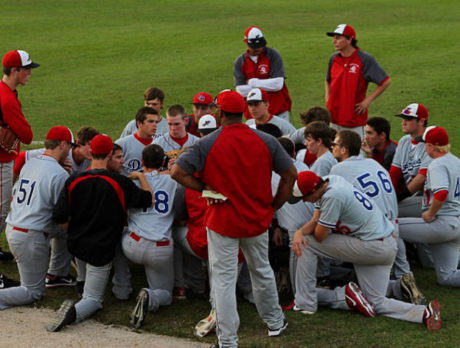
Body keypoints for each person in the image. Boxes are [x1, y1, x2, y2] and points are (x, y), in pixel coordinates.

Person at [171, 90, 296, 347]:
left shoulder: (206, 143)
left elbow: (177, 172)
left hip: (222, 221)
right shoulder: (266, 140)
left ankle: (228, 340)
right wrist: (274, 205)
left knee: (224, 279)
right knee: (261, 270)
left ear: (218, 113)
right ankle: (274, 322)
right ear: (243, 112)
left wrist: (205, 189)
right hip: (256, 219)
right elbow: (290, 175)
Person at [291, 171, 441, 330]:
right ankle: (424, 312)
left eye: (304, 197)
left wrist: (301, 234)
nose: (304, 201)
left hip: (372, 246)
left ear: (314, 190)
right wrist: (299, 231)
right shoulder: (333, 181)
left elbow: (320, 236)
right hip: (385, 243)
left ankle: (305, 303)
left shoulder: (333, 196)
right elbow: (315, 219)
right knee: (376, 302)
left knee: (307, 243)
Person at [47, 134, 153, 332]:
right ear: (110, 154)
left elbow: (60, 217)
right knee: (94, 299)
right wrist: (141, 177)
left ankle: (81, 284)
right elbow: (147, 199)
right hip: (100, 249)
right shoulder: (119, 182)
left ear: (91, 153)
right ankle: (73, 313)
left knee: (86, 277)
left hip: (77, 245)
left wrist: (75, 231)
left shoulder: (74, 180)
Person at [330, 130, 425, 305]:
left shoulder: (338, 169)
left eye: (335, 144)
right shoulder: (373, 164)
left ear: (344, 149)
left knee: (370, 290)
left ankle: (395, 286)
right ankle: (406, 278)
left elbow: (338, 200)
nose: (332, 147)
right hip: (394, 227)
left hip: (374, 232)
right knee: (399, 265)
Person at [0, 126, 72, 309]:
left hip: (15, 228)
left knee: (65, 232)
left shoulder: (30, 164)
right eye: (70, 146)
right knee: (33, 292)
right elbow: (61, 214)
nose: (70, 151)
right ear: (62, 145)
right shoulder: (59, 174)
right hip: (30, 236)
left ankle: (57, 273)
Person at [399, 126, 460, 287]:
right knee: (447, 277)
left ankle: (403, 277)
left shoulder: (437, 164)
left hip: (442, 224)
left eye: (425, 144)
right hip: (456, 225)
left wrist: (431, 213)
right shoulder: (456, 161)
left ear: (432, 146)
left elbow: (441, 193)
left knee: (391, 227)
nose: (423, 147)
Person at [126, 144, 178, 328]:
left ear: (142, 162)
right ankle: (151, 295)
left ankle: (122, 287)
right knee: (165, 293)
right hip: (160, 249)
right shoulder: (173, 181)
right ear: (163, 162)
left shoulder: (131, 181)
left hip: (132, 244)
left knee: (117, 232)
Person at [0, 50, 37, 267]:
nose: (30, 73)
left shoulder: (5, 90)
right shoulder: (7, 100)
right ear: (15, 71)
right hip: (2, 161)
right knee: (2, 209)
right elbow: (27, 136)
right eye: (27, 69)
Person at [325, 24, 391, 137]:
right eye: (334, 38)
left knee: (355, 153)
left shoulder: (364, 59)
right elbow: (328, 80)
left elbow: (385, 82)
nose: (334, 41)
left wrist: (367, 101)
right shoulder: (334, 58)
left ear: (350, 39)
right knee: (335, 152)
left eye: (338, 38)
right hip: (333, 118)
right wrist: (328, 99)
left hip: (354, 120)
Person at [234, 26, 292, 122]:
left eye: (260, 45)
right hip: (253, 117)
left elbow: (278, 84)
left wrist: (253, 83)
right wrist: (268, 83)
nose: (258, 48)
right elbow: (241, 90)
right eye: (254, 46)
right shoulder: (240, 62)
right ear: (245, 42)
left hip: (278, 111)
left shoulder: (273, 55)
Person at [390, 103, 431, 217]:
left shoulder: (430, 144)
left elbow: (421, 178)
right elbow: (394, 173)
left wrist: (399, 197)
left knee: (390, 212)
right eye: (403, 118)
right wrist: (387, 194)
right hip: (411, 197)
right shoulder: (404, 141)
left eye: (408, 119)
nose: (403, 122)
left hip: (428, 199)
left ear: (421, 121)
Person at [116, 106, 161, 176]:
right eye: (150, 121)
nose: (155, 125)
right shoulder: (122, 144)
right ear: (139, 123)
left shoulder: (160, 143)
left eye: (156, 122)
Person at [153, 104, 199, 169]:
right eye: (170, 124)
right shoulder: (157, 145)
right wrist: (169, 171)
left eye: (177, 124)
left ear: (186, 121)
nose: (173, 128)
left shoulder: (197, 143)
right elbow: (150, 175)